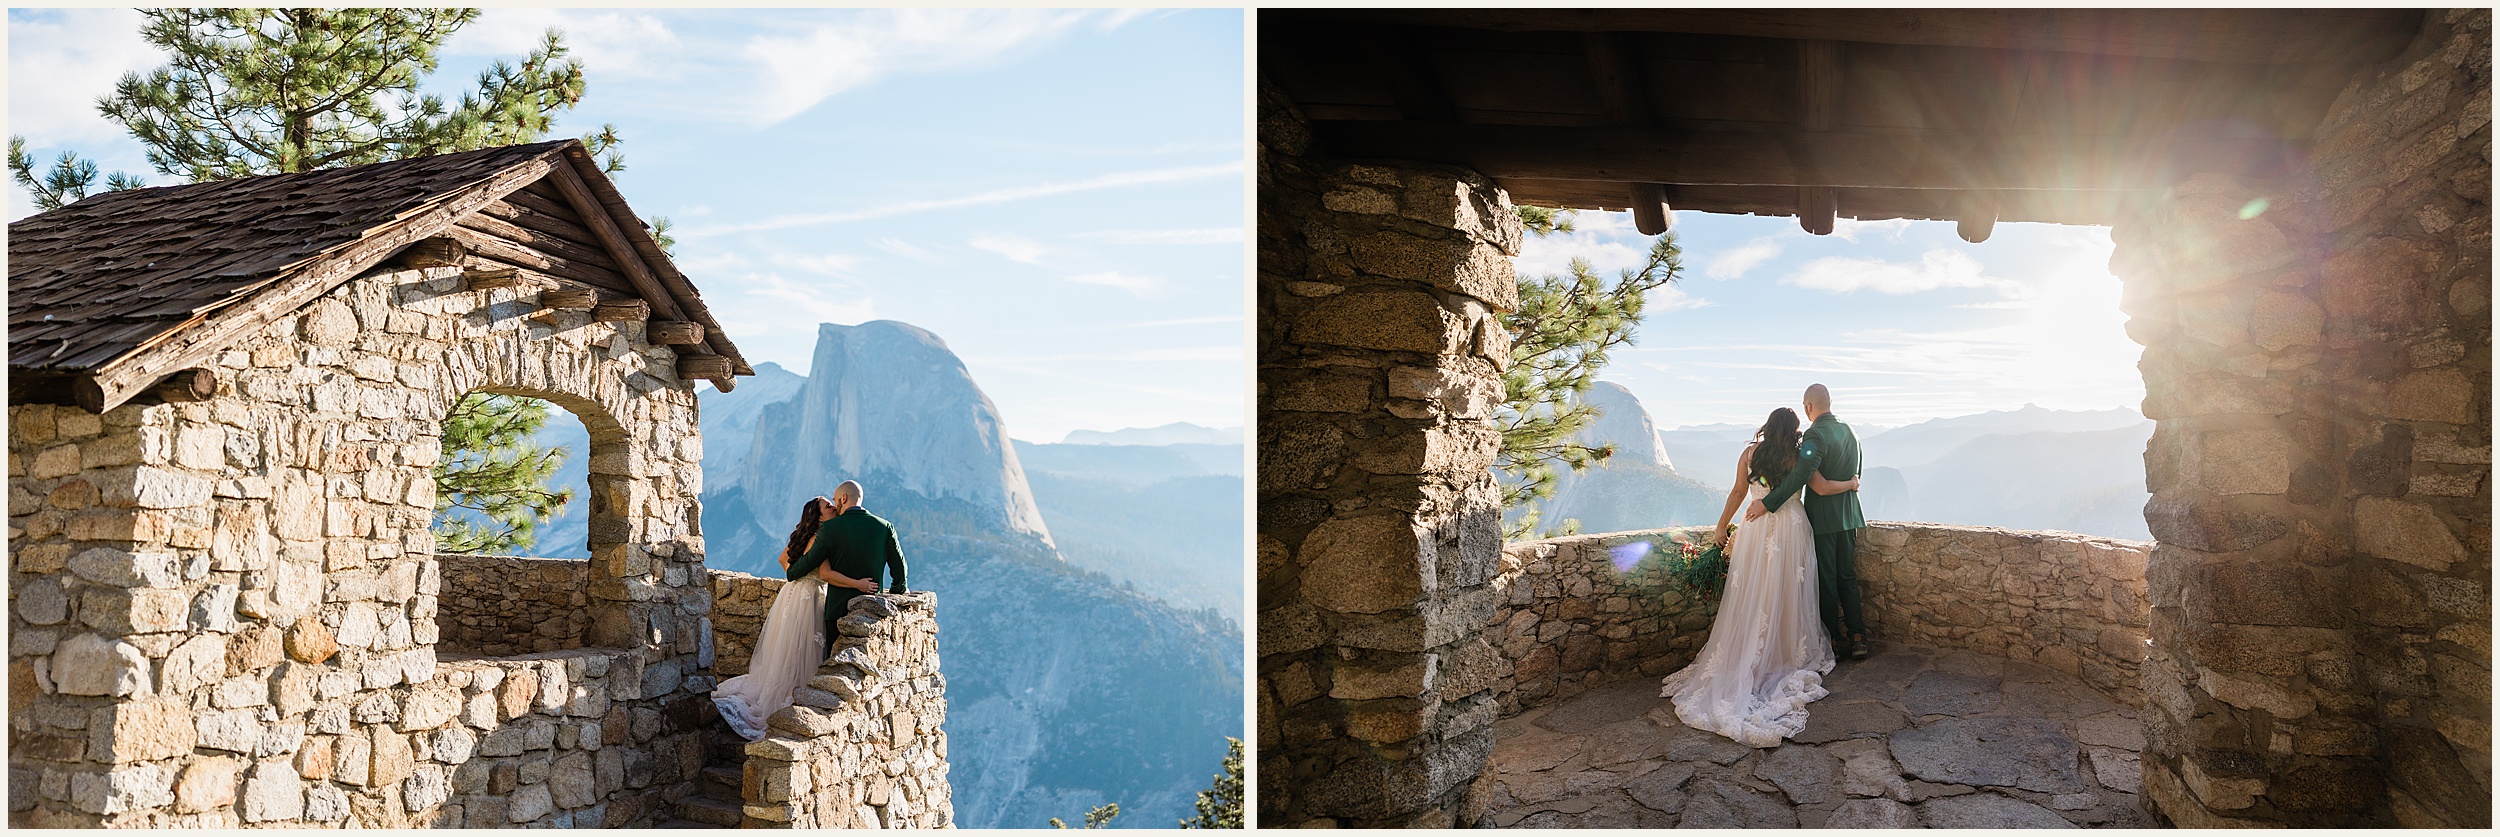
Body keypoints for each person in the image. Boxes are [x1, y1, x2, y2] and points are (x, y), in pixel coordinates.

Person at [1659, 406, 1860, 747]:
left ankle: (1754, 653)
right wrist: (1852, 483)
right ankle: (1784, 652)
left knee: (1753, 592)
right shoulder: (1799, 457)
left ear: (1767, 427)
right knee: (1787, 592)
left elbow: (1739, 493)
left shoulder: (1750, 454)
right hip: (1792, 529)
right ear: (1795, 430)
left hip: (1756, 528)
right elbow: (1823, 488)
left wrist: (1721, 525)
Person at [710, 496, 880, 742]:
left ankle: (789, 690)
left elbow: (783, 560)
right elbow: (826, 573)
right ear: (819, 516)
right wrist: (858, 584)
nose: (833, 506)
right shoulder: (821, 536)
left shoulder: (808, 535)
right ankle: (794, 699)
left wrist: (800, 579)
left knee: (791, 648)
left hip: (794, 594)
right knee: (803, 649)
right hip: (808, 597)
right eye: (827, 506)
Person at [1745, 383, 1870, 660]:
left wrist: (1767, 503)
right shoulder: (1852, 431)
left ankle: (1834, 639)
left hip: (1824, 519)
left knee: (1826, 580)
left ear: (1808, 407)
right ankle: (1859, 636)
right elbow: (1857, 474)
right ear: (1830, 401)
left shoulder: (1815, 434)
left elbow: (1802, 476)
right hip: (1849, 516)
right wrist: (1850, 484)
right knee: (1847, 577)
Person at [783, 480, 909, 660]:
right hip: (872, 610)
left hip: (837, 610)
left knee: (831, 666)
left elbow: (806, 564)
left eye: (835, 501)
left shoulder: (830, 528)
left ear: (843, 498)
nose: (834, 506)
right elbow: (900, 569)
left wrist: (793, 570)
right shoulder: (884, 526)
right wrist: (896, 592)